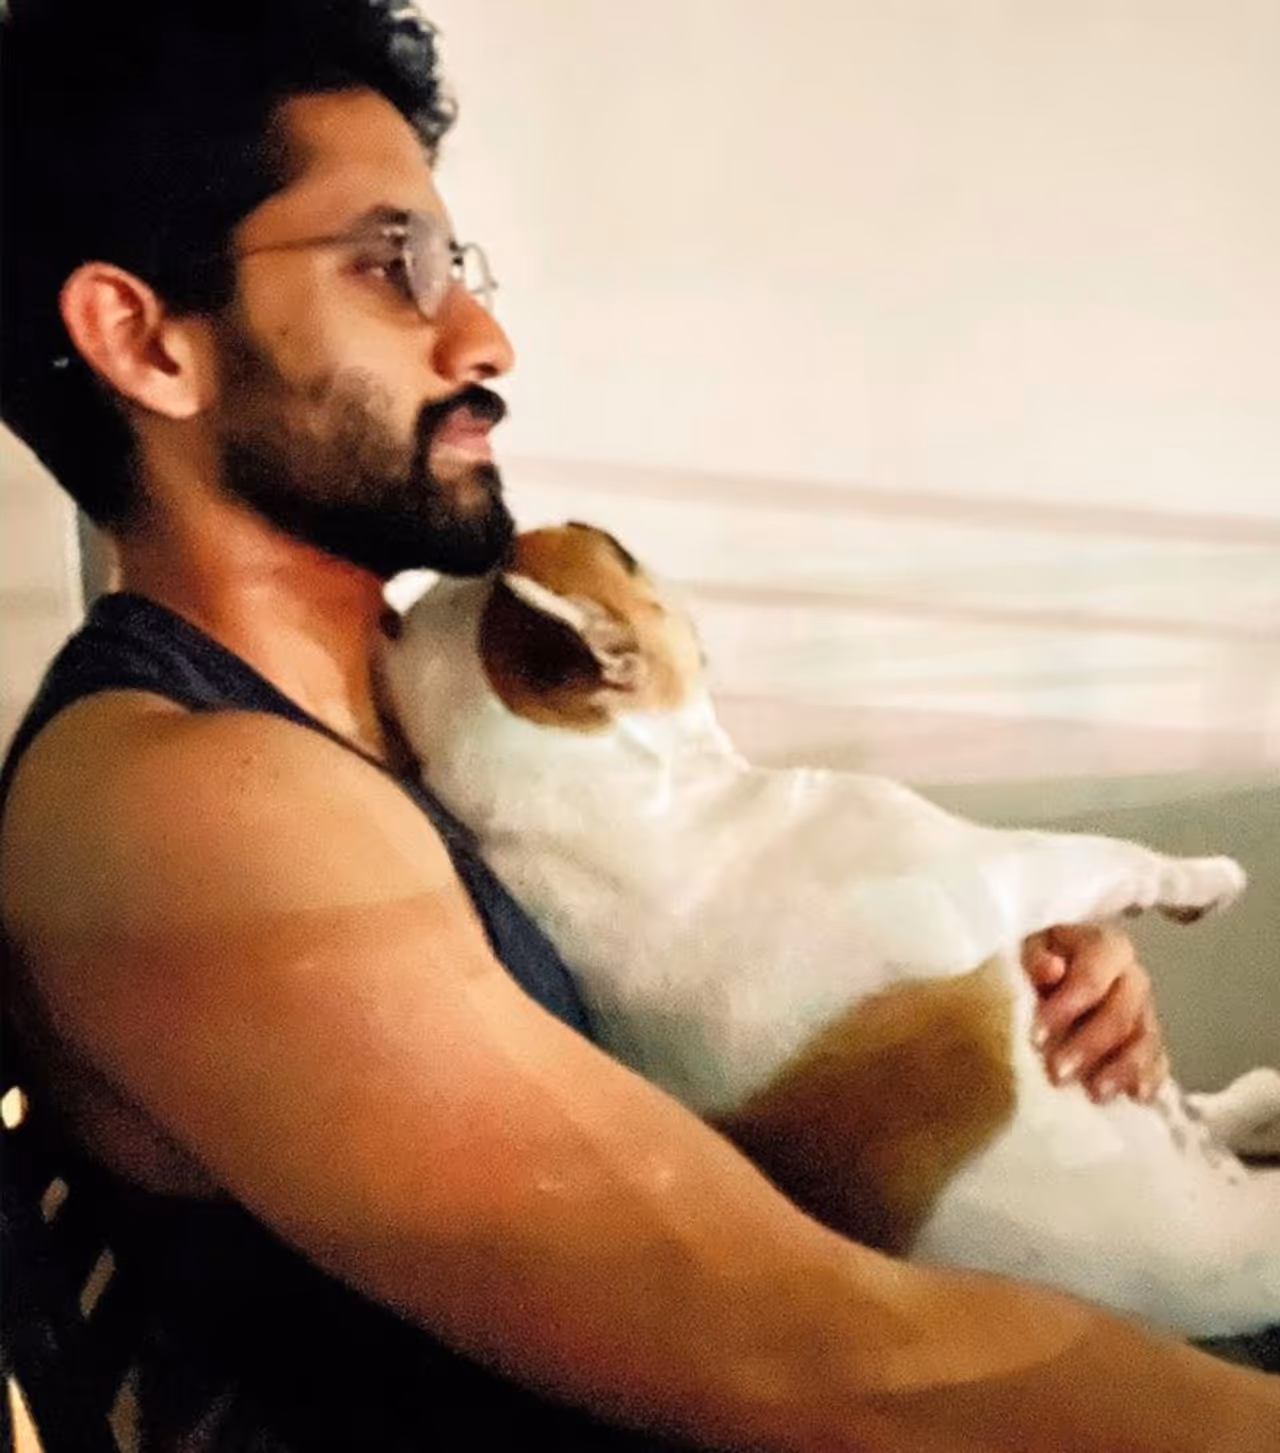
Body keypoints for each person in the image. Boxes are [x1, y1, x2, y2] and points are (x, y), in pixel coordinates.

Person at [0, 2, 1274, 1448]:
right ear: (145, 341)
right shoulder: (195, 809)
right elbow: (808, 1353)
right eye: (392, 265)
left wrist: (988, 998)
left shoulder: (408, 712)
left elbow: (702, 1020)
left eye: (457, 267)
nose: (486, 337)